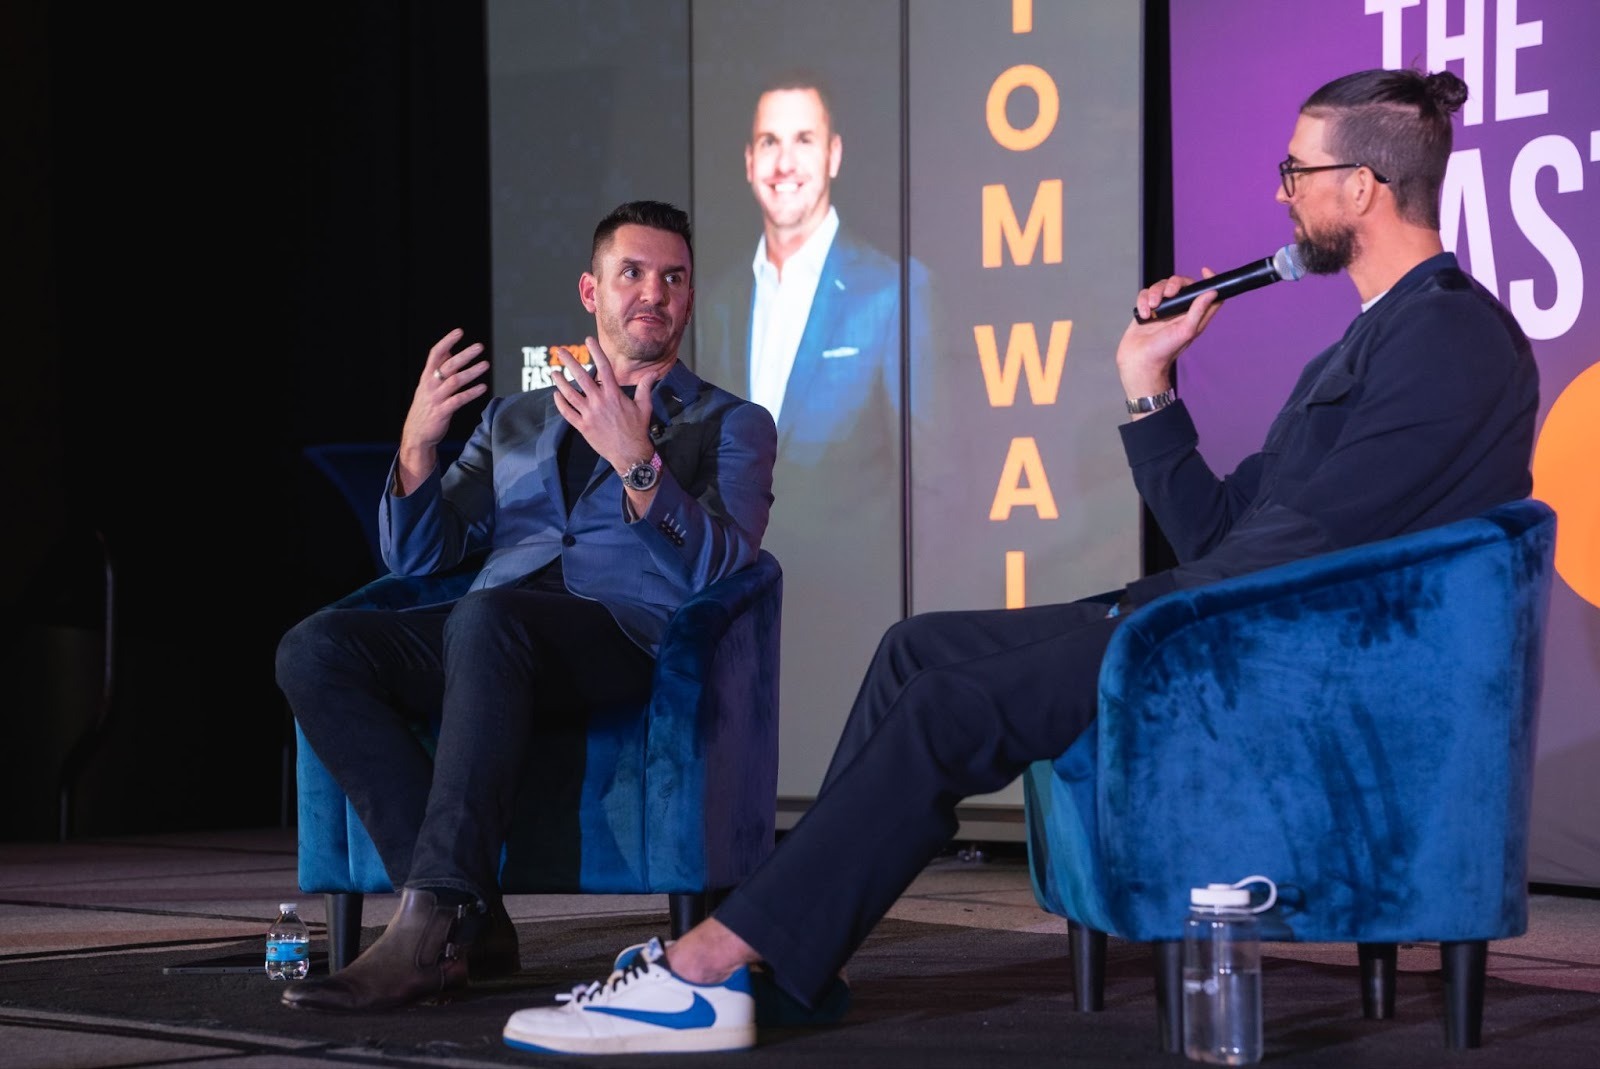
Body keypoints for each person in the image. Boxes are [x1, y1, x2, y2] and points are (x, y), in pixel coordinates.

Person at [498, 66, 1540, 1056]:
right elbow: (1224, 533)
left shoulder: (1450, 335)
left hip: (1270, 661)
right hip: (1221, 623)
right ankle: (788, 964)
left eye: (1295, 172)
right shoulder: (1364, 342)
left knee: (949, 708)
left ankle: (707, 966)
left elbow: (1313, 550)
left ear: (1361, 186)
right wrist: (1148, 386)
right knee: (917, 650)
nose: (1281, 194)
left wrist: (1140, 617)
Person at [274, 199, 777, 1013]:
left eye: (673, 277)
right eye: (632, 273)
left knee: (488, 617)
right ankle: (468, 922)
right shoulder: (515, 416)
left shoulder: (733, 423)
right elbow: (419, 557)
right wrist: (416, 447)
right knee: (315, 647)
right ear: (591, 291)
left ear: (689, 296)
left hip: (623, 636)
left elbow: (722, 566)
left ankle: (430, 930)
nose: (654, 292)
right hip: (494, 632)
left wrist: (638, 463)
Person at [698, 71, 933, 797]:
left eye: (803, 139)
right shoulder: (719, 299)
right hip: (737, 609)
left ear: (833, 154)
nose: (784, 161)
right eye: (769, 141)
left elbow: (931, 476)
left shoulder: (893, 290)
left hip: (855, 614)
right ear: (748, 162)